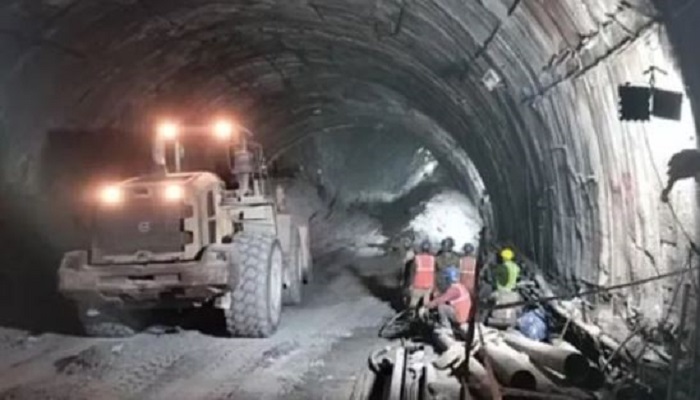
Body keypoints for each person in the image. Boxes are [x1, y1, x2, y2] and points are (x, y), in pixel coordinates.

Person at [406, 240, 435, 308]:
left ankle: (411, 314)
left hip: (417, 286)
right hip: (428, 286)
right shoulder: (433, 259)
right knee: (426, 305)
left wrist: (410, 284)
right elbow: (435, 273)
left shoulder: (417, 258)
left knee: (413, 303)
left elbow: (412, 272)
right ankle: (425, 315)